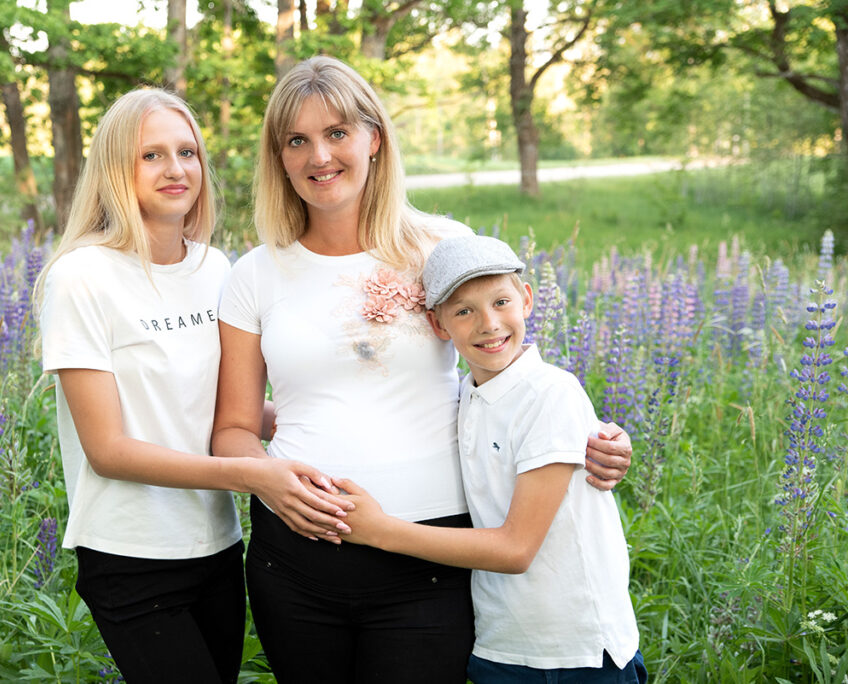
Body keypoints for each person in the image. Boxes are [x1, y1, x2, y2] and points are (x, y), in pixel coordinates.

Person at [211, 56, 633, 684]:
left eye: (336, 133)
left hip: (431, 554)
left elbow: (507, 371)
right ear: (279, 158)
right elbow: (233, 429)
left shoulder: (440, 247)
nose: (319, 156)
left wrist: (589, 435)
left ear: (374, 138)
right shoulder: (253, 274)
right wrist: (270, 481)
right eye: (296, 140)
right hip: (296, 558)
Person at [35, 88, 352, 684]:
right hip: (131, 552)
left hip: (216, 545)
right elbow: (108, 451)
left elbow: (221, 407)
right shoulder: (82, 277)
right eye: (151, 155)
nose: (175, 169)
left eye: (187, 152)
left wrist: (331, 415)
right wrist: (254, 475)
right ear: (115, 169)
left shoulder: (214, 268)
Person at [336, 234, 647, 684]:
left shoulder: (551, 393)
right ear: (438, 324)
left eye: (501, 302)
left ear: (527, 300)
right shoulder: (466, 396)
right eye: (464, 311)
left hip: (577, 651)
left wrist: (381, 531)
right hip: (501, 644)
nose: (489, 323)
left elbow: (517, 549)